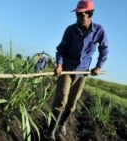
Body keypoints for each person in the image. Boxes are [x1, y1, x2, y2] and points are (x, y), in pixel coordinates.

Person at [46, 0, 109, 140]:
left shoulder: (99, 30)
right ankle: (50, 133)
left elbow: (104, 49)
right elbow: (61, 50)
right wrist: (59, 65)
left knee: (72, 103)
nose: (79, 17)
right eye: (78, 15)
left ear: (90, 14)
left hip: (83, 72)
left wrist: (98, 67)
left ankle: (61, 125)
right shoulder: (70, 30)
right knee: (61, 101)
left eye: (82, 15)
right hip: (67, 70)